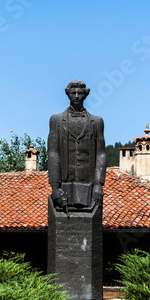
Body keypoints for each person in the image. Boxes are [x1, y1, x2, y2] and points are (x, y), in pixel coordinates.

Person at [48, 79, 106, 210]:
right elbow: (53, 153)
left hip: (89, 185)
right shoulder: (56, 120)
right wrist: (55, 186)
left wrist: (98, 184)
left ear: (85, 95)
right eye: (73, 93)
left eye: (80, 93)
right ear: (68, 94)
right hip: (65, 185)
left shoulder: (96, 122)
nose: (76, 96)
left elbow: (101, 154)